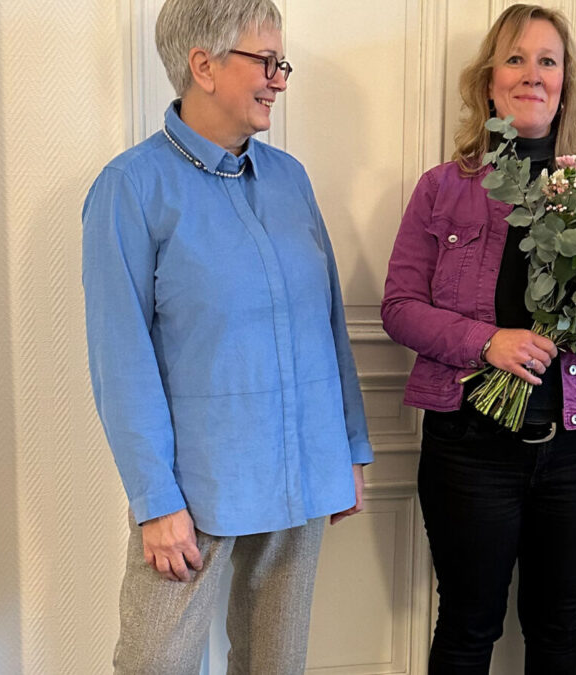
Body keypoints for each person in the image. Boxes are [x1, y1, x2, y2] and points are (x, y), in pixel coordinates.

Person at [82, 0, 372, 672]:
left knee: (277, 661)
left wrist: (350, 445)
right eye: (265, 62)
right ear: (203, 66)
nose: (279, 78)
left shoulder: (290, 180)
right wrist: (155, 503)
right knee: (155, 661)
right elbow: (119, 356)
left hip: (302, 465)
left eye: (282, 63)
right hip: (198, 485)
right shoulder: (131, 188)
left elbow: (326, 320)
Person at [381, 5, 576, 673]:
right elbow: (398, 307)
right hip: (470, 448)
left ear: (565, 83)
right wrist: (487, 342)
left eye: (547, 61)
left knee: (559, 628)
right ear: (488, 81)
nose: (531, 74)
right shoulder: (442, 189)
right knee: (468, 625)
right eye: (515, 58)